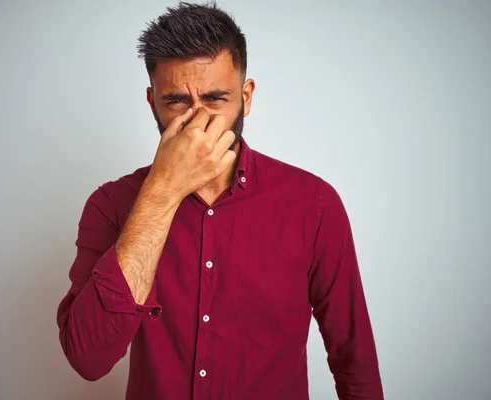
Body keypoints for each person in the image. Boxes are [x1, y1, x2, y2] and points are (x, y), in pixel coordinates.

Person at [56, 2, 384, 399]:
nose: (197, 122)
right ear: (151, 101)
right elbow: (88, 358)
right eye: (176, 101)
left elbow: (354, 360)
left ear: (246, 97)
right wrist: (163, 191)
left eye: (215, 99)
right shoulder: (111, 204)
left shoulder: (314, 205)